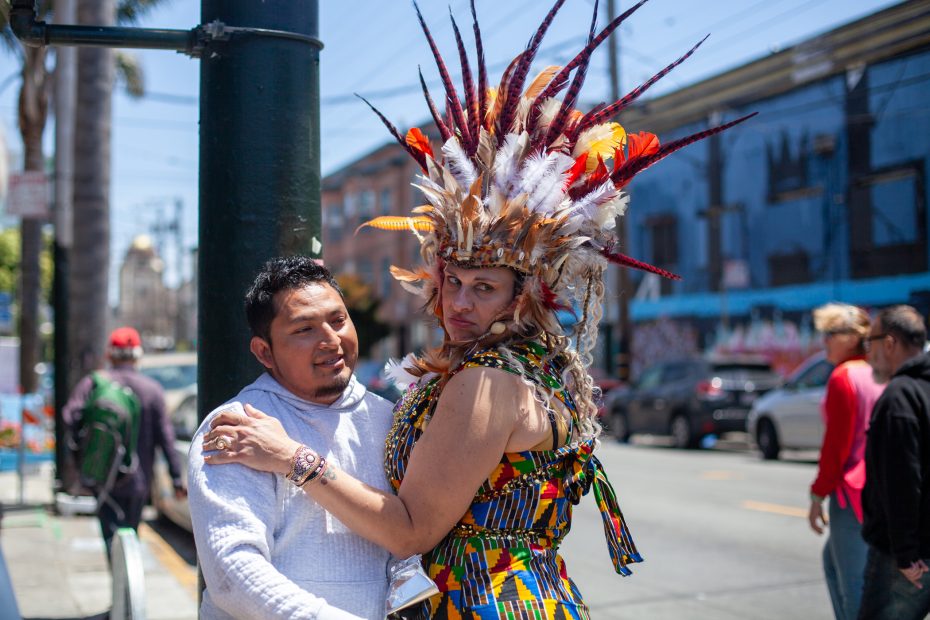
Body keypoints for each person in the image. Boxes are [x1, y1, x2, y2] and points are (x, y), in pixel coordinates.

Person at [201, 1, 753, 616]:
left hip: (484, 601)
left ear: (523, 293)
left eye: (484, 287)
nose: (459, 302)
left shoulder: (488, 379)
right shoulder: (534, 366)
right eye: (452, 279)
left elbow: (410, 529)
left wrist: (290, 459)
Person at [186, 257, 395, 619]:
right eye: (304, 330)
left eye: (338, 320)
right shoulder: (235, 427)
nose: (331, 340)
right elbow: (230, 572)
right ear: (264, 352)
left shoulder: (388, 418)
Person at [62, 326, 186, 558]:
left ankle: (119, 583)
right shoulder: (153, 390)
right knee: (131, 535)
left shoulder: (94, 384)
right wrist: (176, 478)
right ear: (138, 357)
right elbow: (166, 438)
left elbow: (70, 416)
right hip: (138, 481)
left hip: (102, 476)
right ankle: (129, 586)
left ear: (109, 355)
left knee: (110, 538)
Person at [806, 303, 884, 620]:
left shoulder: (843, 377)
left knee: (855, 590)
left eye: (830, 333)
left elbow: (835, 448)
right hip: (885, 491)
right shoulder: (880, 373)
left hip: (853, 493)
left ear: (852, 337)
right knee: (833, 563)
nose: (823, 340)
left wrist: (816, 496)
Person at [859, 305, 930, 619]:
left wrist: (905, 553)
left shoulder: (899, 397)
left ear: (889, 343)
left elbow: (903, 480)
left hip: (905, 557)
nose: (867, 353)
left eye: (870, 342)